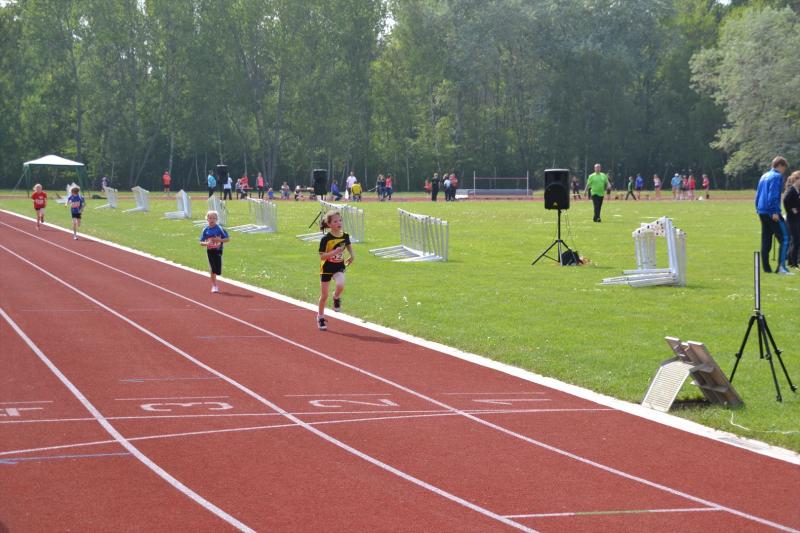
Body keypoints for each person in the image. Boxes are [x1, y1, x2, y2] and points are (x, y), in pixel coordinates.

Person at [316, 210, 354, 331]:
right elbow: (322, 256)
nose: (339, 223)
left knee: (340, 284)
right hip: (326, 268)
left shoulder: (345, 236)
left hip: (339, 266)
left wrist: (352, 255)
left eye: (340, 220)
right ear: (329, 224)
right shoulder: (326, 239)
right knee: (324, 295)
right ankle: (320, 317)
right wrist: (334, 252)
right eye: (335, 221)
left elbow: (348, 244)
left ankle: (336, 297)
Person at [755, 156, 792, 274]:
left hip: (762, 211)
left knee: (766, 240)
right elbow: (774, 195)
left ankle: (766, 269)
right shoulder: (776, 177)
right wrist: (774, 212)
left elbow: (757, 195)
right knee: (785, 238)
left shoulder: (764, 176)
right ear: (780, 165)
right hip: (772, 212)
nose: (784, 171)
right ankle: (781, 268)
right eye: (784, 168)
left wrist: (758, 209)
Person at [199, 210, 230, 293]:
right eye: (210, 218)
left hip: (218, 251)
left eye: (214, 218)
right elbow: (201, 242)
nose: (212, 220)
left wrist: (219, 240)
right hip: (210, 251)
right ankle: (214, 286)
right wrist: (207, 243)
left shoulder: (220, 228)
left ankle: (217, 272)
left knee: (218, 271)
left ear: (216, 219)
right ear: (207, 219)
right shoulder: (205, 230)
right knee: (212, 269)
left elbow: (227, 239)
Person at [783, 171, 800, 269]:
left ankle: (791, 261)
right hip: (792, 220)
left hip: (797, 219)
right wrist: (791, 210)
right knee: (796, 240)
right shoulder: (791, 190)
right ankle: (794, 263)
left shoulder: (797, 190)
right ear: (796, 179)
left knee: (795, 240)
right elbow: (785, 200)